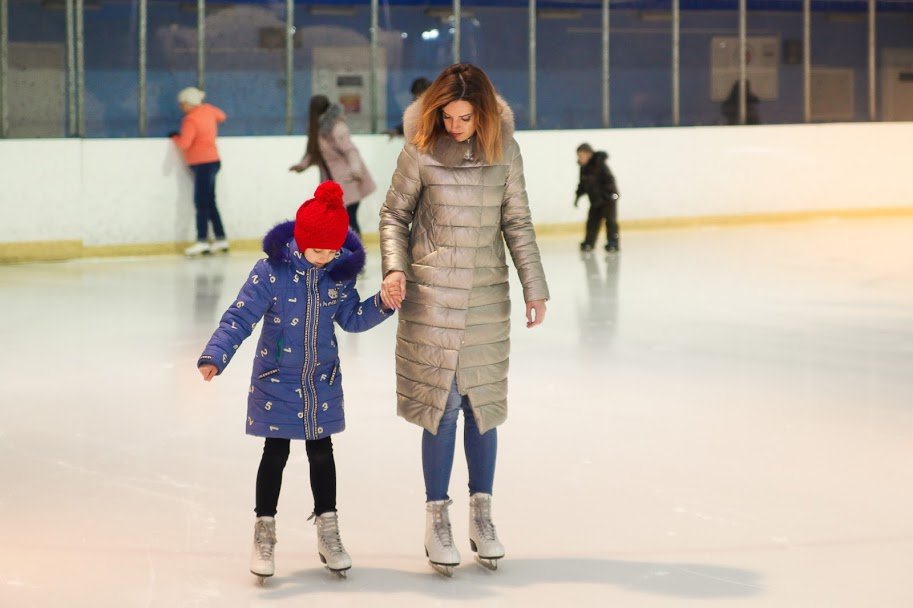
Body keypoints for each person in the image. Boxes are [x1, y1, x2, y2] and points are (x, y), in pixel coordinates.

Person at [378, 63, 550, 576]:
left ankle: (483, 515)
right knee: (443, 405)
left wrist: (533, 286)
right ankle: (437, 518)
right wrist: (394, 268)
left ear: (485, 114)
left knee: (483, 406)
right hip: (431, 294)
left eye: (465, 117)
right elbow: (393, 215)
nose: (456, 126)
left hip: (485, 296)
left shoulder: (506, 152)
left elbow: (516, 220)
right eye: (449, 116)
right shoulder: (420, 149)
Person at [197, 181, 394, 580]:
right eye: (317, 250)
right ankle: (264, 533)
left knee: (322, 453)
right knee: (276, 453)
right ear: (301, 242)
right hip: (277, 379)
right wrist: (216, 354)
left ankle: (328, 530)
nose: (323, 258)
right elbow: (240, 316)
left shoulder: (337, 275)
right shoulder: (271, 272)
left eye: (331, 250)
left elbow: (351, 319)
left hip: (321, 380)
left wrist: (383, 304)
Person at [289, 96, 376, 239]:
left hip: (348, 180)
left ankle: (356, 251)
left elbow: (351, 151)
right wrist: (302, 165)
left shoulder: (336, 128)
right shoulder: (317, 129)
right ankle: (340, 249)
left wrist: (355, 170)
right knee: (334, 218)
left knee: (350, 217)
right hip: (331, 183)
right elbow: (314, 152)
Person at [169, 87, 229, 257]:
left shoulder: (190, 120)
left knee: (201, 203)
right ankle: (221, 238)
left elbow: (184, 144)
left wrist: (175, 137)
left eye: (182, 104)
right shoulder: (208, 111)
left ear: (189, 103)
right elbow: (222, 116)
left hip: (202, 164)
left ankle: (202, 241)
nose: (181, 107)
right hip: (214, 161)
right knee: (210, 202)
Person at [574, 143, 620, 252]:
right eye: (578, 156)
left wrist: (608, 195)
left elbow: (609, 180)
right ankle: (589, 242)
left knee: (610, 221)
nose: (579, 158)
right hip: (595, 200)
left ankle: (613, 243)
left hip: (608, 199)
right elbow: (582, 184)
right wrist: (578, 196)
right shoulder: (583, 168)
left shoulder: (599, 165)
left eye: (581, 156)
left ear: (589, 154)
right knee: (592, 222)